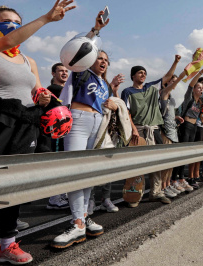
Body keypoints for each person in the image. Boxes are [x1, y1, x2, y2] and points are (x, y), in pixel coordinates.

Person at [0, 1, 76, 266]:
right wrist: (45, 18)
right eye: (5, 22)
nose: (13, 27)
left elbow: (39, 91)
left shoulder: (28, 60)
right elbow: (7, 40)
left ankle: (7, 244)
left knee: (12, 187)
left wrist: (45, 99)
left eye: (17, 23)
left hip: (23, 126)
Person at [52, 10, 121, 248]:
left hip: (97, 125)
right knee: (74, 170)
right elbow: (79, 50)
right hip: (78, 121)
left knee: (89, 171)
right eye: (99, 58)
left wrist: (111, 103)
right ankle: (77, 222)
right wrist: (96, 31)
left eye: (106, 60)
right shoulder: (81, 71)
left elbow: (110, 106)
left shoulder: (103, 83)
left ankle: (82, 217)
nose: (103, 62)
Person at [121, 56, 181, 206]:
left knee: (157, 162)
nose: (143, 75)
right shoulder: (127, 92)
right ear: (133, 76)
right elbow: (126, 113)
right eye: (140, 72)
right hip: (138, 131)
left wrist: (176, 62)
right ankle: (134, 194)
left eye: (144, 73)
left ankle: (156, 192)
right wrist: (134, 130)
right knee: (137, 163)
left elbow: (167, 77)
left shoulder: (151, 88)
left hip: (154, 130)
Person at [158, 59, 194, 195]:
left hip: (174, 132)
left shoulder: (172, 98)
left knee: (171, 163)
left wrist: (175, 118)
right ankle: (162, 187)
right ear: (167, 83)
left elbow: (166, 113)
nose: (174, 84)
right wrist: (181, 74)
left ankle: (167, 185)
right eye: (172, 82)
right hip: (165, 132)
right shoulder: (163, 93)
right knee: (165, 162)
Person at [46, 63, 70, 210]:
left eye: (66, 71)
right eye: (61, 70)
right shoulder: (53, 90)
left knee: (64, 164)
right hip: (55, 134)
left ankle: (60, 194)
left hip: (64, 132)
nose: (64, 73)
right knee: (57, 164)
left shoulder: (65, 90)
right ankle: (54, 198)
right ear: (53, 73)